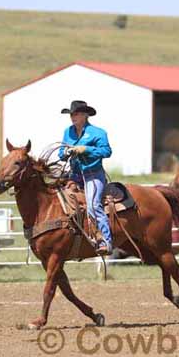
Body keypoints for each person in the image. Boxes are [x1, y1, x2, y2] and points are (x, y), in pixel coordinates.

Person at [59, 100, 113, 256]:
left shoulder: (98, 132)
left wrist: (86, 149)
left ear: (85, 115)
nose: (72, 117)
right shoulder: (67, 132)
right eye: (71, 114)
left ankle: (105, 241)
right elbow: (61, 154)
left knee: (93, 204)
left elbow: (106, 151)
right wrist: (66, 153)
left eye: (76, 114)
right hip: (74, 176)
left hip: (93, 174)